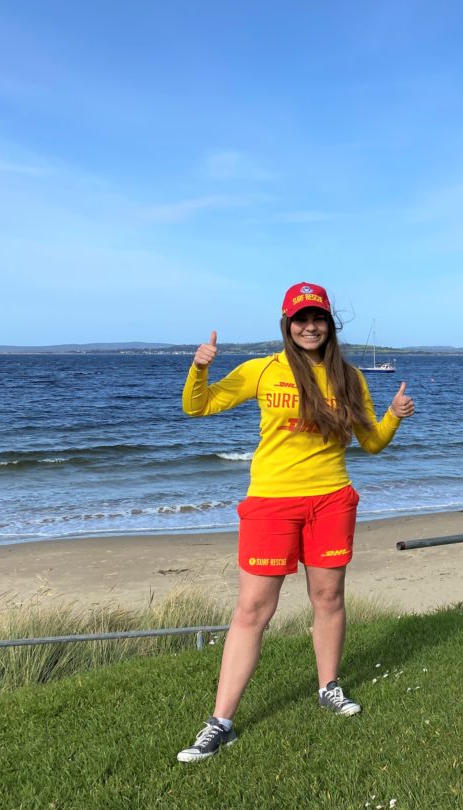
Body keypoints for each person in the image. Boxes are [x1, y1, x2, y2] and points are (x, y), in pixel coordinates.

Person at [176, 282, 414, 763]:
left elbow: (370, 444)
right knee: (252, 611)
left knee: (328, 598)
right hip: (271, 503)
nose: (310, 327)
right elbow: (196, 406)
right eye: (301, 320)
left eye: (319, 319)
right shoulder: (263, 370)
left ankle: (329, 687)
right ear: (287, 325)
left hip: (331, 501)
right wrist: (199, 368)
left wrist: (392, 416)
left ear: (330, 324)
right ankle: (220, 721)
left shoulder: (349, 377)